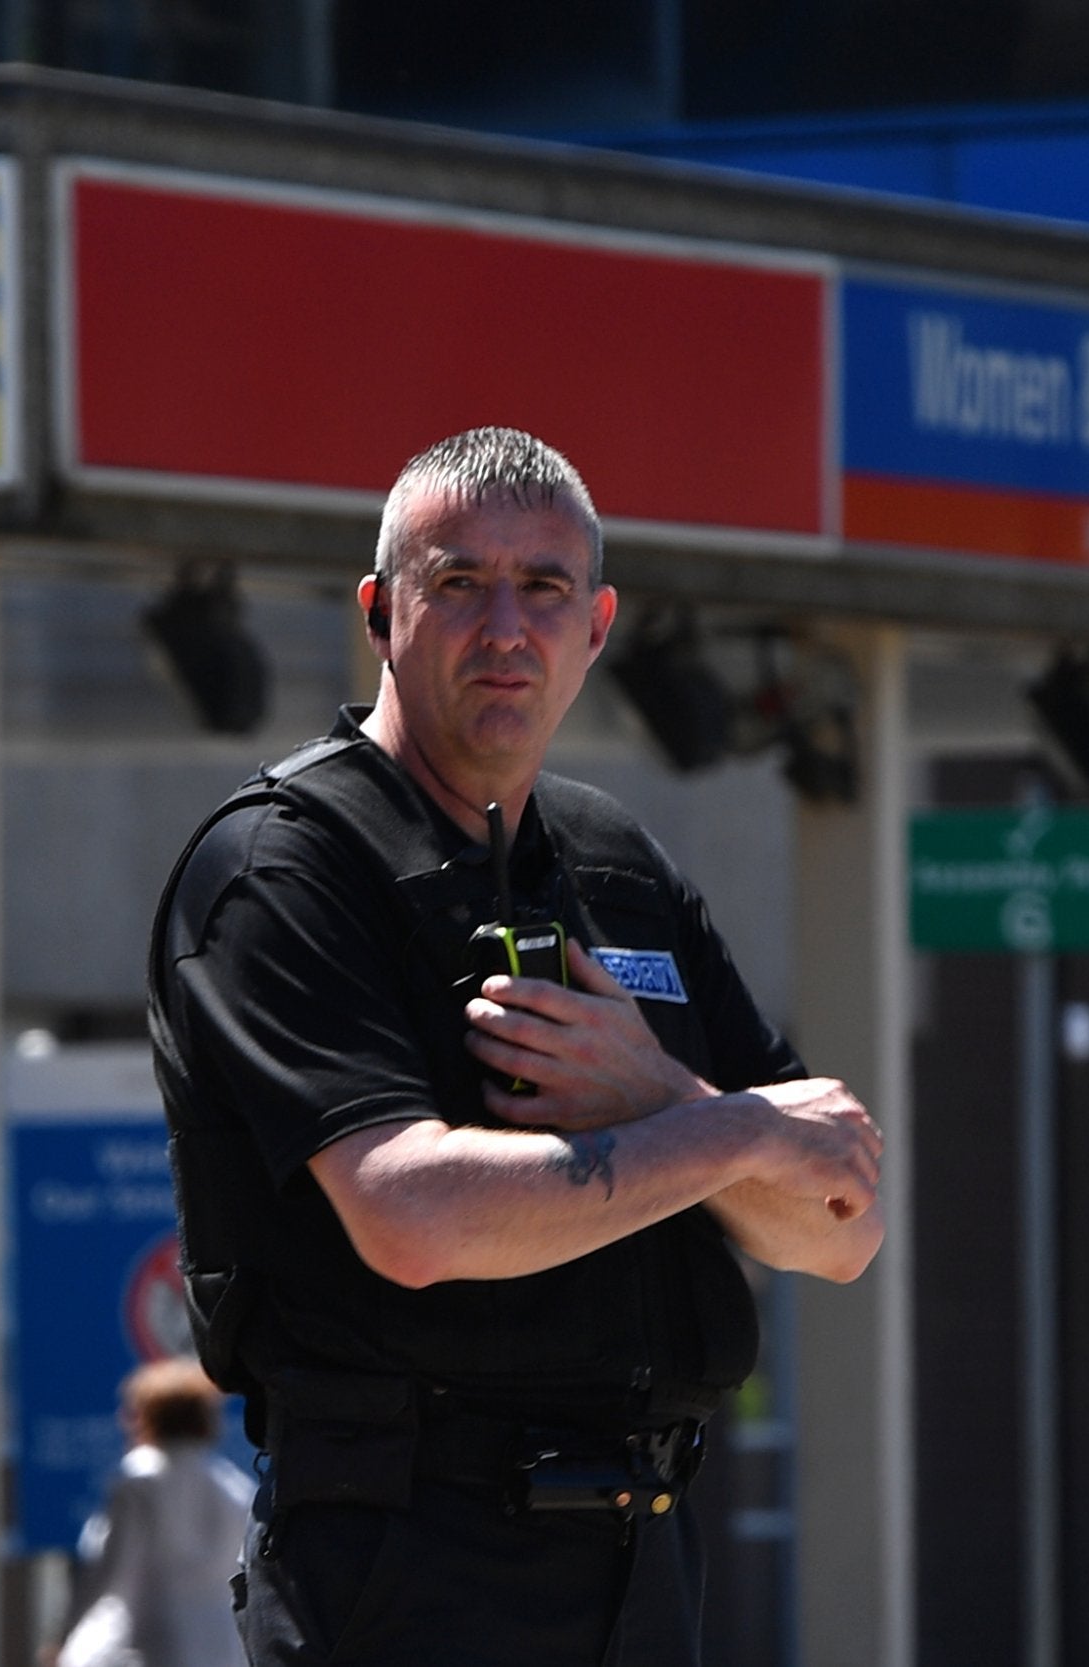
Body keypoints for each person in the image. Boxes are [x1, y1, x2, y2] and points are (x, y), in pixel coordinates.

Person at [149, 426, 885, 1667]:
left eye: (543, 588)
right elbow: (413, 1218)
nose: (506, 627)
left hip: (644, 1563)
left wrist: (655, 1089)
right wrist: (731, 1128)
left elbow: (840, 1223)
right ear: (381, 613)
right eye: (459, 582)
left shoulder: (617, 864)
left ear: (596, 628)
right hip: (407, 1566)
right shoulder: (283, 867)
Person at [57, 1359, 255, 1667]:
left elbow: (108, 1569)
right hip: (224, 1646)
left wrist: (63, 1636)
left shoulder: (140, 1478)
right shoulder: (236, 1486)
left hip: (153, 1641)